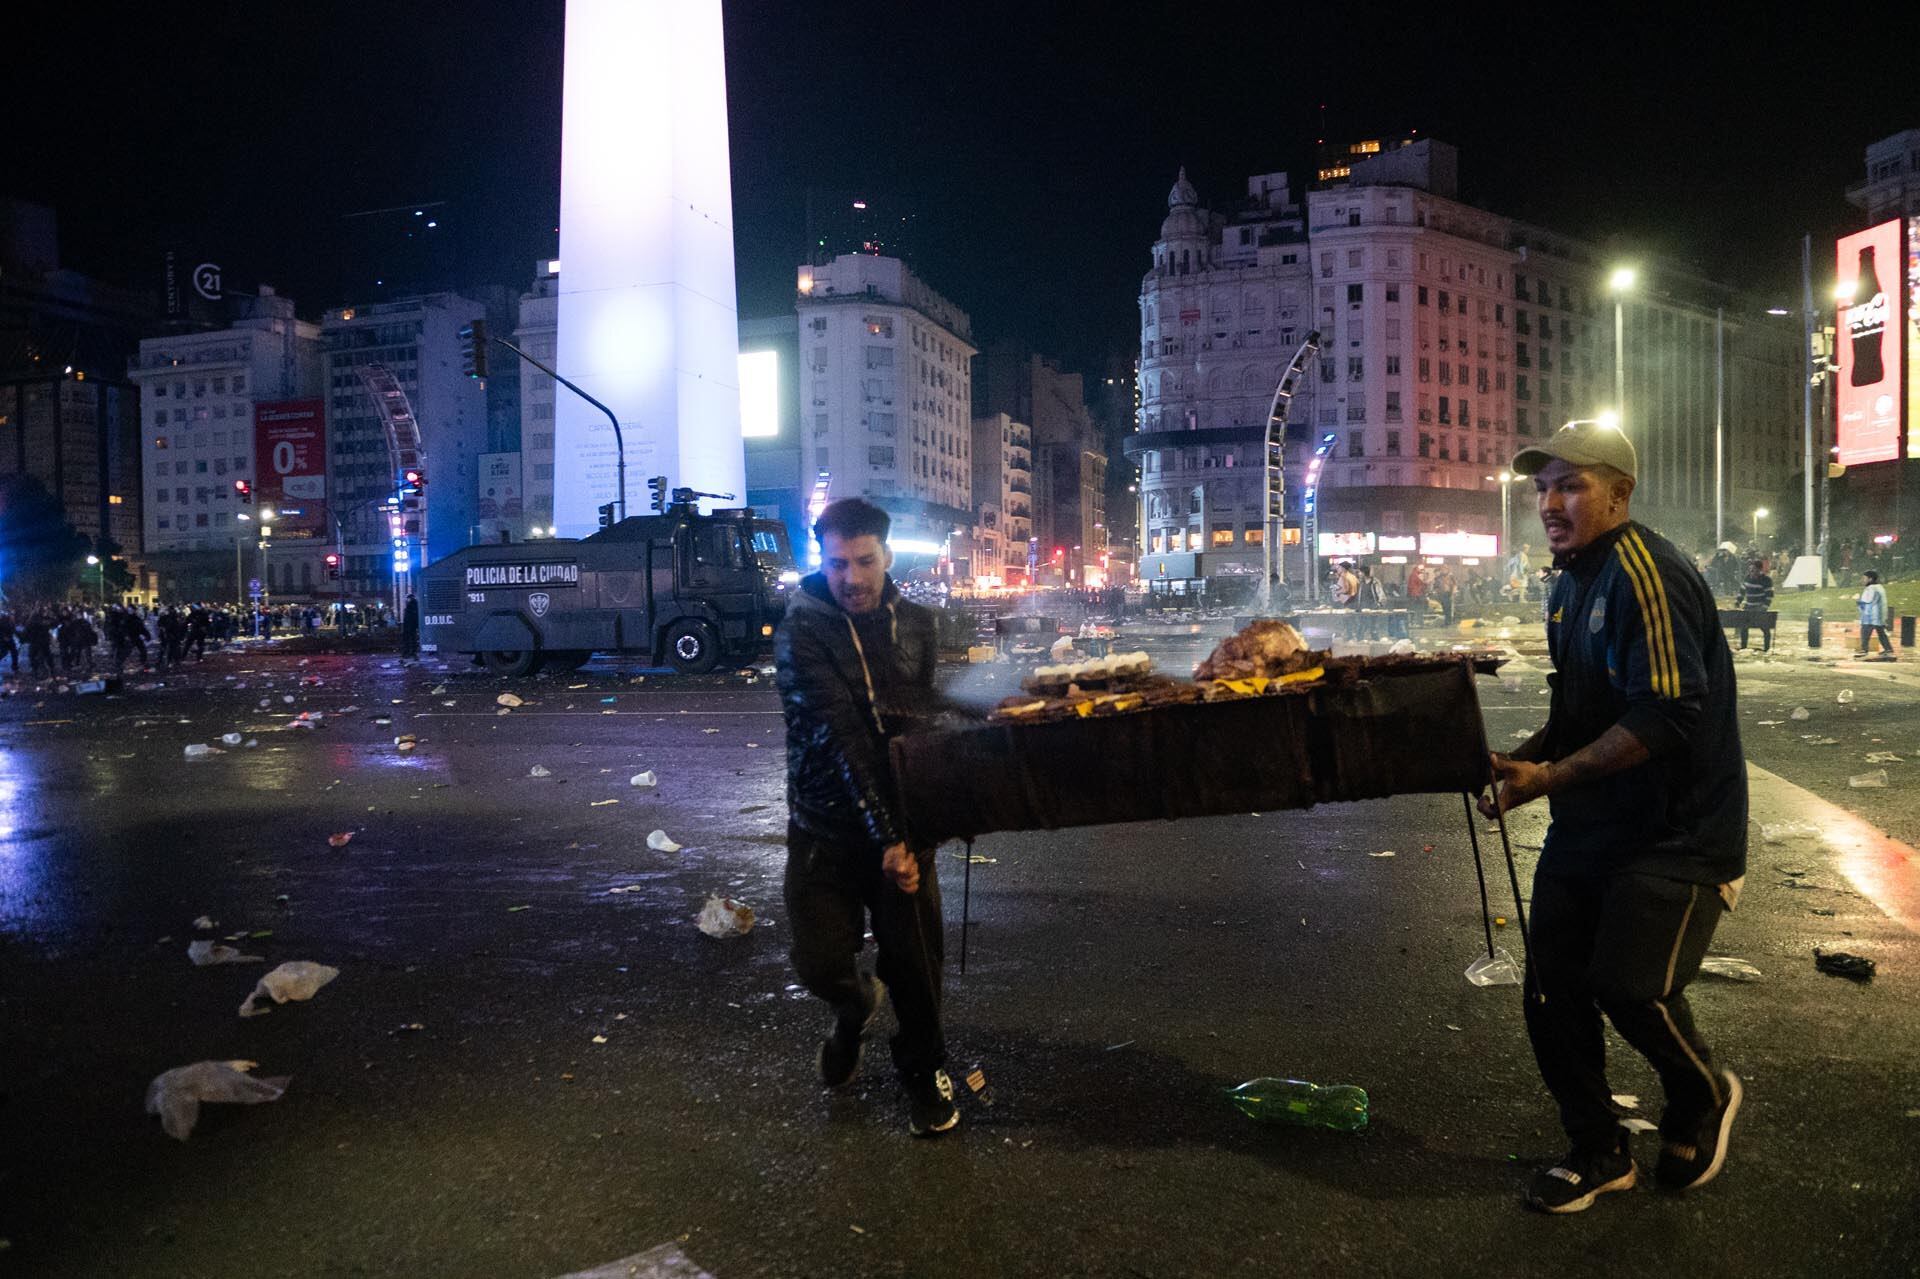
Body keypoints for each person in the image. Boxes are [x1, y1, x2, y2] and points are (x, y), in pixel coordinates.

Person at [1481, 420, 1745, 1215]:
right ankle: (1598, 1150)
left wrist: (1547, 777)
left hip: (1676, 835)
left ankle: (1702, 1094)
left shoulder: (1647, 572)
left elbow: (1666, 710)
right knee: (1551, 994)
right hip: (1589, 828)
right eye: (1541, 488)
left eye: (1570, 485)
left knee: (1630, 988)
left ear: (1620, 493)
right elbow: (1578, 709)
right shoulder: (1567, 580)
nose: (1550, 503)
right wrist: (1515, 759)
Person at [775, 497, 962, 1137]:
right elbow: (843, 735)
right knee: (819, 964)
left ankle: (925, 1069)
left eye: (863, 562)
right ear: (820, 561)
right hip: (825, 828)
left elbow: (921, 722)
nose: (850, 578)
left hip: (906, 831)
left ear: (886, 557)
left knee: (916, 969)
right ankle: (853, 1011)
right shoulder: (801, 629)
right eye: (835, 564)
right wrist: (885, 839)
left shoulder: (919, 626)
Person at [1736, 559, 1774, 653]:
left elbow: (1769, 596)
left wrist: (1764, 607)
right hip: (1748, 606)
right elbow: (1742, 592)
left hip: (1760, 607)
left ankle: (1767, 648)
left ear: (1759, 570)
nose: (1751, 572)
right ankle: (1743, 647)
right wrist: (1738, 602)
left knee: (1765, 628)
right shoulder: (1747, 578)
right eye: (1750, 570)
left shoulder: (1766, 580)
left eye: (1754, 570)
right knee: (1744, 627)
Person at [1857, 570, 1894, 659]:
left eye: (1864, 578)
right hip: (1880, 615)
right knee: (1881, 633)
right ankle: (1888, 649)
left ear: (1870, 579)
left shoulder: (1871, 588)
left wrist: (1858, 601)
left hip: (1870, 616)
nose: (1862, 580)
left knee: (1865, 633)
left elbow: (1867, 601)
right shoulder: (1880, 587)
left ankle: (1864, 650)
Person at [401, 591, 421, 660]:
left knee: (409, 640)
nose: (406, 599)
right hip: (412, 626)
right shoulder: (414, 605)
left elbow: (409, 617)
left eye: (407, 598)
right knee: (412, 639)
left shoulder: (411, 605)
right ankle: (411, 653)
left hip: (409, 626)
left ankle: (408, 653)